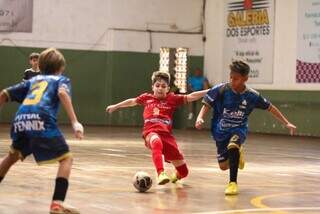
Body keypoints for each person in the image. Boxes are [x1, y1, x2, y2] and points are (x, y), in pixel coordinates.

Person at [0, 48, 84, 214]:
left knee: (11, 157)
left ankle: (58, 204)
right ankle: (56, 204)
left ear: (41, 65)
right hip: (42, 119)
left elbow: (3, 94)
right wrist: (75, 122)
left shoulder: (33, 80)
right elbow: (62, 93)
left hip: (21, 120)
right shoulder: (61, 80)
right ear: (61, 67)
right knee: (66, 160)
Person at [195, 60, 296, 195]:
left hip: (239, 128)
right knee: (223, 166)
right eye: (230, 77)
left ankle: (232, 183)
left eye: (236, 78)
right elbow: (206, 104)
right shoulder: (221, 89)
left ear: (245, 79)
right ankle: (238, 152)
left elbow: (271, 108)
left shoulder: (252, 96)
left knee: (233, 145)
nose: (232, 80)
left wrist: (286, 122)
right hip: (220, 130)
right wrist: (199, 117)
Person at [106, 71, 209, 185]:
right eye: (157, 86)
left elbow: (191, 96)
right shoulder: (146, 98)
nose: (160, 88)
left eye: (163, 86)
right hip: (150, 133)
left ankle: (175, 176)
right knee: (156, 142)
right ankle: (161, 173)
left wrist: (209, 91)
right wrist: (116, 106)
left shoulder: (172, 99)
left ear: (168, 88)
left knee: (184, 172)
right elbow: (132, 101)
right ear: (153, 87)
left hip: (167, 136)